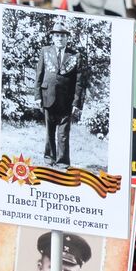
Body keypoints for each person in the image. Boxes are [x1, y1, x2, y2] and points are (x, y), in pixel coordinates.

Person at [34, 20, 86, 169]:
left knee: (63, 133)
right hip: (47, 96)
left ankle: (62, 162)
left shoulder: (75, 55)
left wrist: (77, 103)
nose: (59, 39)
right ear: (52, 37)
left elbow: (79, 82)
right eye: (57, 36)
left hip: (66, 101)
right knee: (49, 131)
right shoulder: (45, 51)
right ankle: (49, 158)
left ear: (67, 38)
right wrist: (37, 96)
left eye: (62, 36)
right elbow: (39, 74)